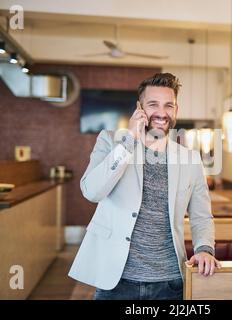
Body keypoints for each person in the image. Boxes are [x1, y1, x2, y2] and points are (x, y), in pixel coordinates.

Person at [68, 73, 220, 300]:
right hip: (116, 280)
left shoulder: (190, 159)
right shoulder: (111, 141)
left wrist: (204, 249)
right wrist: (129, 139)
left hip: (170, 282)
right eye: (153, 104)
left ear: (176, 110)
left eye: (169, 105)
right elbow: (92, 191)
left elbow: (201, 216)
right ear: (139, 108)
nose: (162, 112)